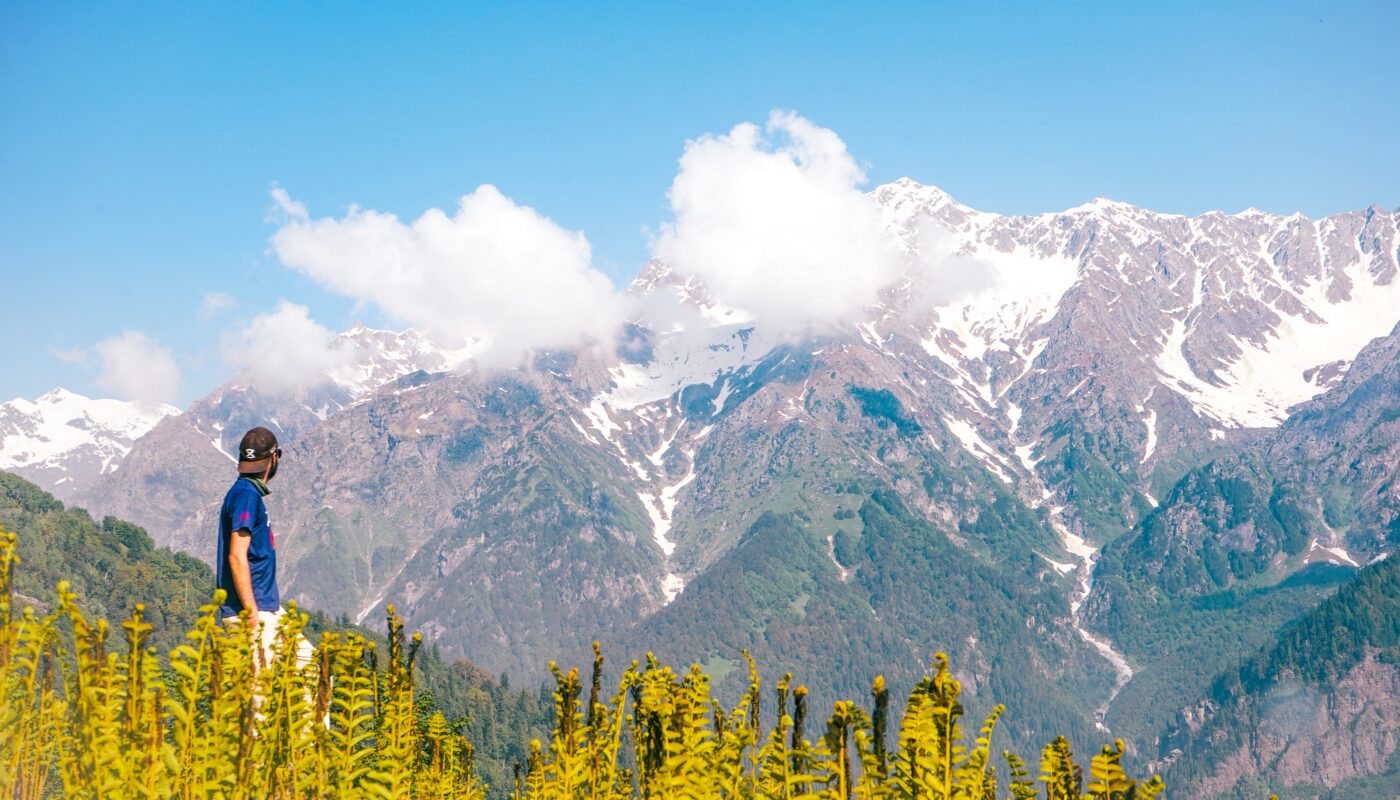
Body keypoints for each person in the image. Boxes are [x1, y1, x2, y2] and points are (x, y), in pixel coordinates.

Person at [216, 426, 314, 675]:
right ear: (274, 458)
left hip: (266, 608)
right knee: (256, 698)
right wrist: (250, 611)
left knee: (311, 667)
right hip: (252, 610)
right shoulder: (246, 495)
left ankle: (295, 716)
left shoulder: (244, 493)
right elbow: (237, 556)